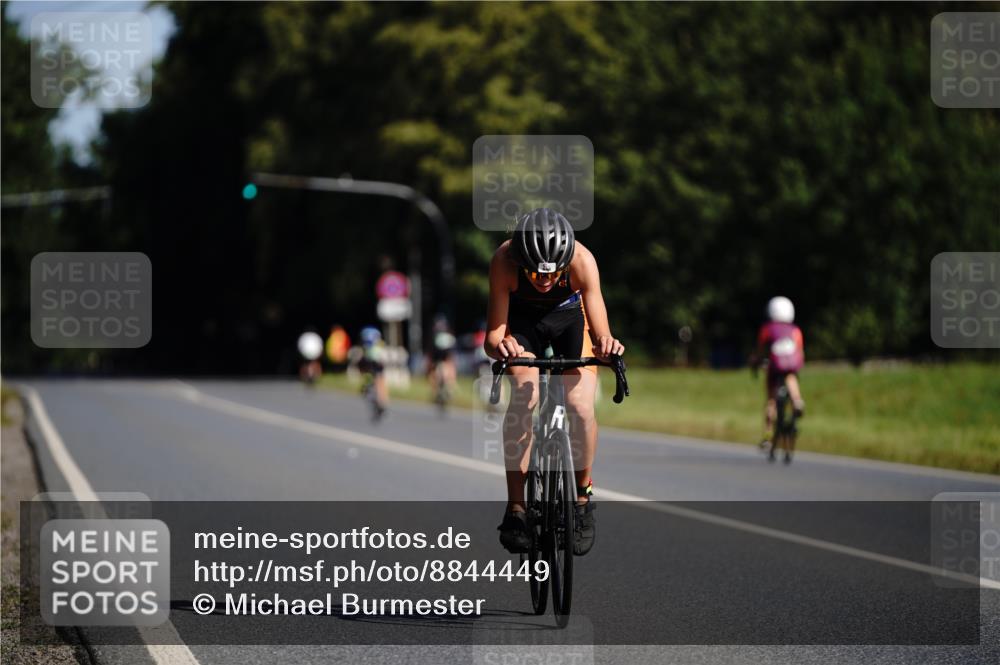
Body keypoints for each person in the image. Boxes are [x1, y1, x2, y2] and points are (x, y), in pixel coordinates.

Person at [484, 207, 624, 556]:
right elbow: (493, 336)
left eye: (552, 273)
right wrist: (502, 346)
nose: (544, 280)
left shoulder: (582, 260)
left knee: (578, 405)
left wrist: (607, 345)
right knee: (524, 397)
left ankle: (581, 499)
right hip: (522, 325)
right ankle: (516, 508)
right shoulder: (504, 260)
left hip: (569, 321)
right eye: (535, 272)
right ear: (521, 260)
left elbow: (601, 329)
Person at [751, 296, 805, 449]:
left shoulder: (767, 329)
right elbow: (800, 351)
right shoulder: (795, 330)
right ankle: (797, 401)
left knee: (771, 400)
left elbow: (760, 351)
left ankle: (767, 436)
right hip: (792, 365)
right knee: (791, 376)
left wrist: (756, 363)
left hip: (774, 367)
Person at [358, 326, 389, 419]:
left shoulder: (369, 344)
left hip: (373, 363)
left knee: (378, 380)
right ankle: (383, 402)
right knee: (380, 381)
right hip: (376, 364)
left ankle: (381, 401)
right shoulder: (379, 343)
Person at [426, 314, 457, 403]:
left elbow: (431, 352)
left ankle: (437, 391)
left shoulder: (434, 334)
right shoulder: (448, 333)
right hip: (443, 356)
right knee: (449, 366)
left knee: (433, 372)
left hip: (439, 356)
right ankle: (450, 388)